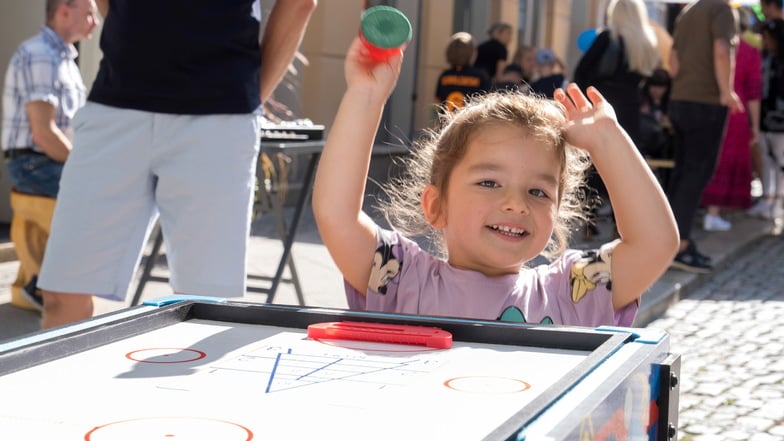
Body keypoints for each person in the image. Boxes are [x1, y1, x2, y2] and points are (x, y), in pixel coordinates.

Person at [312, 37, 679, 327]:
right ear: (436, 206)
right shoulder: (403, 279)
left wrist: (609, 141)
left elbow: (655, 243)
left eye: (538, 191)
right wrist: (365, 96)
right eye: (489, 182)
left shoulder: (572, 290)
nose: (516, 204)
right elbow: (336, 215)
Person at [36, 0, 317, 329]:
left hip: (218, 115)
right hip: (116, 103)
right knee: (62, 290)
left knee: (202, 306)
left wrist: (249, 97)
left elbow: (300, 3)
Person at [1, 0, 99, 312]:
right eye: (89, 13)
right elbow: (43, 133)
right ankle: (44, 287)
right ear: (64, 11)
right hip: (34, 161)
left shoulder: (64, 59)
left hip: (47, 159)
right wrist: (85, 169)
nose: (95, 22)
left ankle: (40, 283)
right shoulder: (41, 54)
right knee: (99, 202)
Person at [666, 0, 742, 274]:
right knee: (696, 175)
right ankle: (681, 245)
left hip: (680, 100)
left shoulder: (688, 11)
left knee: (682, 173)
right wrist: (726, 91)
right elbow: (722, 51)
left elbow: (673, 62)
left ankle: (669, 240)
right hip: (706, 102)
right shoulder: (721, 10)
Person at [701, 15, 762, 230]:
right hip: (736, 112)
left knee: (709, 159)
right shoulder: (750, 52)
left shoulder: (707, 48)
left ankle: (710, 210)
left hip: (707, 107)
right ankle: (714, 212)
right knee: (724, 161)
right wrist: (755, 125)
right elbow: (754, 93)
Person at [749, 17, 784, 221]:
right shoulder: (764, 58)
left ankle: (777, 202)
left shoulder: (778, 61)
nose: (765, 41)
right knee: (765, 158)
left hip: (780, 120)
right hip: (764, 116)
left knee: (780, 161)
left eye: (767, 37)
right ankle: (767, 198)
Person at [434, 32, 491, 112]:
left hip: (447, 122)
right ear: (472, 53)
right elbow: (487, 103)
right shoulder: (480, 76)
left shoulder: (445, 76)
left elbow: (437, 102)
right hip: (469, 122)